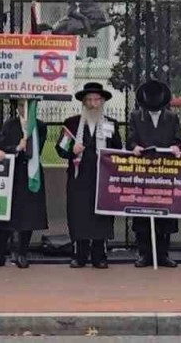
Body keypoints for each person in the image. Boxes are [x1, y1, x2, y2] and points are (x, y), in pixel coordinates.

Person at [56, 81, 124, 269]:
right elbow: (60, 149)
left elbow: (118, 150)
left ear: (102, 102)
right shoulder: (72, 123)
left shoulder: (111, 124)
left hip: (103, 179)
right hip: (79, 179)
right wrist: (72, 150)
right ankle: (80, 254)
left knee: (101, 216)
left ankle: (99, 254)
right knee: (79, 216)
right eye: (89, 100)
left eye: (96, 100)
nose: (93, 104)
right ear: (84, 103)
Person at [127, 79, 181, 268]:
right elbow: (131, 138)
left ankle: (163, 254)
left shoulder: (171, 117)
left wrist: (177, 146)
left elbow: (179, 137)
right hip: (143, 171)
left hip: (165, 172)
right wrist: (134, 147)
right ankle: (144, 253)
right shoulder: (136, 116)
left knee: (165, 214)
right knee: (142, 213)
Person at [0, 99, 48, 269]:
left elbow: (37, 149)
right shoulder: (9, 125)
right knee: (7, 214)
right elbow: (0, 146)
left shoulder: (40, 126)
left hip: (30, 173)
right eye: (21, 105)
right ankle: (0, 253)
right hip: (11, 175)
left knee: (28, 214)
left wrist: (27, 142)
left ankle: (22, 253)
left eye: (28, 105)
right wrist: (16, 147)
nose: (24, 109)